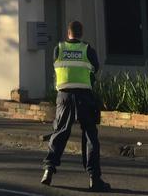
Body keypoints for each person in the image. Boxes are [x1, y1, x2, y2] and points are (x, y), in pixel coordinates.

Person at [40, 21, 110, 192]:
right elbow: (95, 70)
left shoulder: (59, 49)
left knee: (60, 132)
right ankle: (94, 178)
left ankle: (49, 169)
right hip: (84, 96)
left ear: (68, 33)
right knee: (90, 135)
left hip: (63, 96)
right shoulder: (88, 50)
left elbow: (55, 67)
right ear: (81, 33)